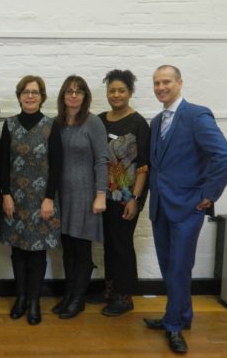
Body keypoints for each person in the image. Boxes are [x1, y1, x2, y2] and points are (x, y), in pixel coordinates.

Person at [144, 65, 227, 354]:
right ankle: (181, 315)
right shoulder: (156, 122)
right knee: (170, 267)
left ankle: (174, 326)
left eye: (166, 82)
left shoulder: (196, 115)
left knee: (179, 267)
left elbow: (222, 154)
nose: (160, 87)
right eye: (156, 83)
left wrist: (209, 194)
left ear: (180, 83)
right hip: (161, 208)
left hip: (188, 207)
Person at [0, 75, 62, 325]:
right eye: (25, 92)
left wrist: (49, 199)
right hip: (14, 199)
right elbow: (2, 163)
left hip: (41, 200)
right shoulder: (9, 125)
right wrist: (5, 194)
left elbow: (57, 166)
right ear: (19, 95)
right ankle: (21, 298)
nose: (30, 96)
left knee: (37, 253)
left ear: (42, 96)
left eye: (35, 92)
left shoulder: (50, 125)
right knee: (18, 251)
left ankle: (34, 301)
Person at [51, 75, 109, 320]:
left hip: (86, 195)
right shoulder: (56, 123)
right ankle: (69, 293)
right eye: (69, 91)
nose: (73, 95)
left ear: (85, 96)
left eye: (79, 91)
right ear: (63, 96)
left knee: (81, 249)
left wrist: (100, 195)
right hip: (61, 196)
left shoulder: (93, 123)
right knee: (67, 249)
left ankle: (78, 299)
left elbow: (101, 160)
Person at [96, 70, 150, 316]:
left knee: (122, 246)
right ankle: (110, 290)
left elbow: (143, 166)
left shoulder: (138, 123)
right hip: (103, 196)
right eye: (112, 90)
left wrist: (135, 200)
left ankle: (124, 297)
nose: (116, 95)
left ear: (130, 93)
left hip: (127, 198)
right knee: (109, 245)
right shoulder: (100, 120)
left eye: (121, 90)